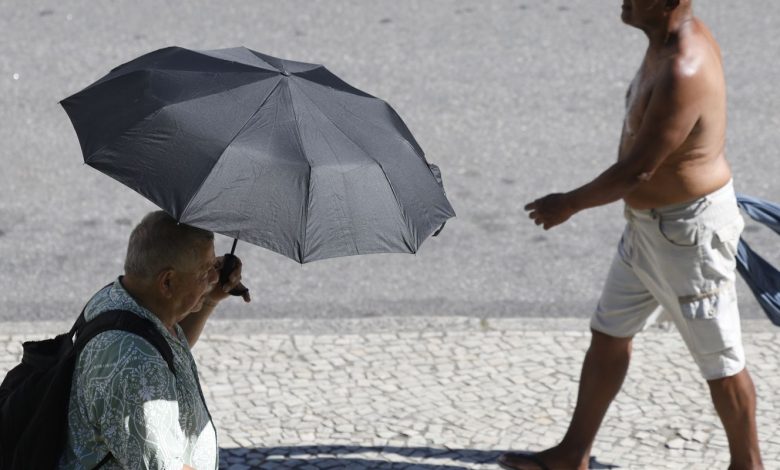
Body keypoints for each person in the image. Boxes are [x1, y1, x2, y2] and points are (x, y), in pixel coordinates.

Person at [499, 1, 764, 469]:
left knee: (721, 363)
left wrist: (569, 203)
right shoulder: (663, 43)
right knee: (608, 333)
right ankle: (573, 455)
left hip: (688, 236)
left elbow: (638, 170)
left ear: (665, 2)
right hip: (648, 229)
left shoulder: (685, 67)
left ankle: (750, 466)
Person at [58, 211, 250, 469]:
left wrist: (208, 298)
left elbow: (167, 352)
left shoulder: (122, 299)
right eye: (206, 271)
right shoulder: (134, 366)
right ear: (168, 282)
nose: (215, 278)